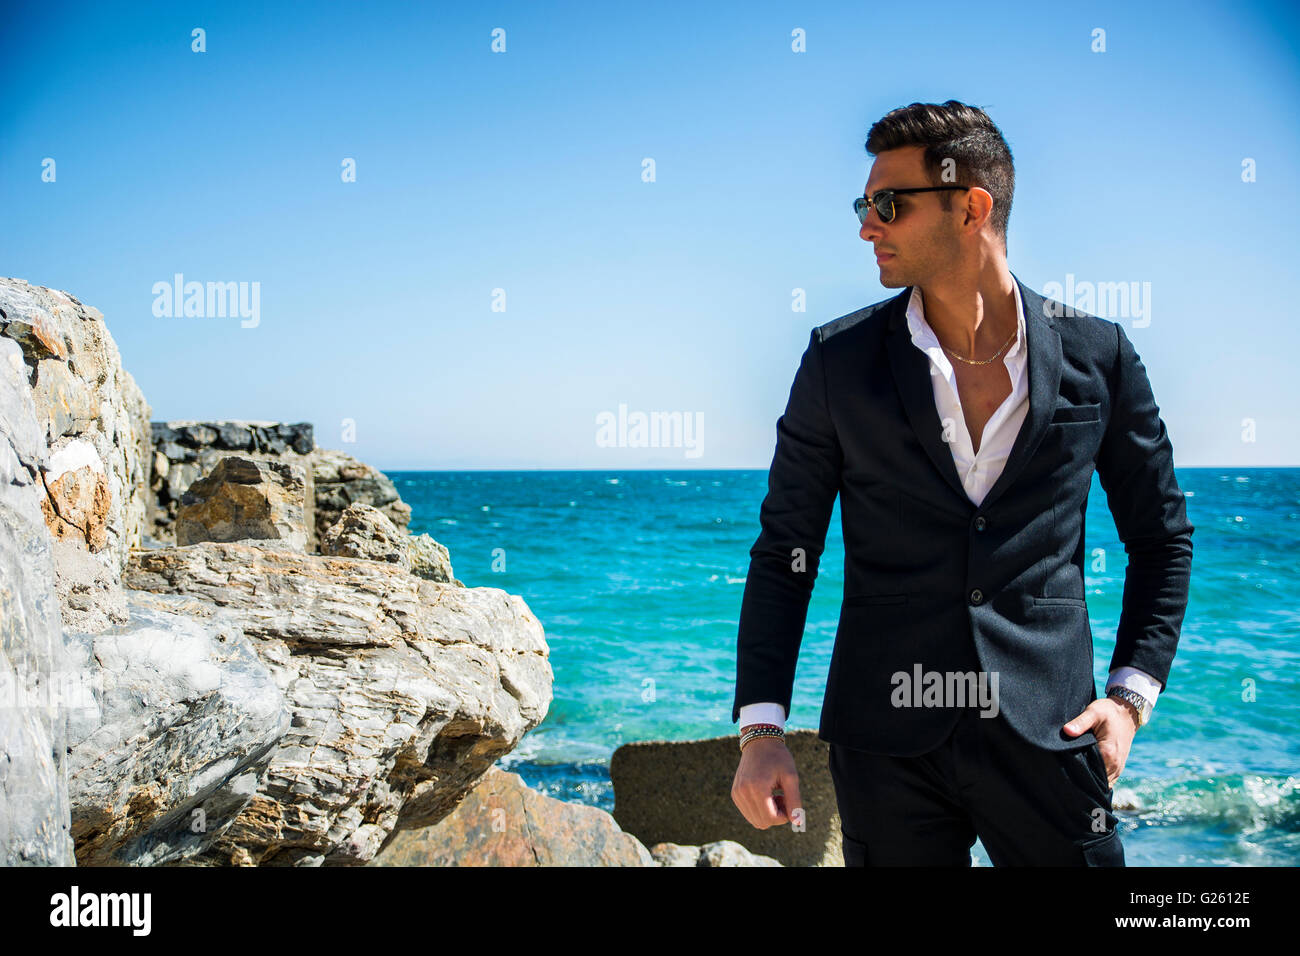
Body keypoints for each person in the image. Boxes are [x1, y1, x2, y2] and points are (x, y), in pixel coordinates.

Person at [729, 100, 1193, 866]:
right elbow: (786, 550)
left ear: (971, 207)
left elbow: (1160, 538)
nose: (866, 226)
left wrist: (1130, 698)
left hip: (1051, 733)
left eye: (888, 204)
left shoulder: (1099, 353)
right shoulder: (837, 361)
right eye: (864, 205)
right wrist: (762, 730)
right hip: (886, 743)